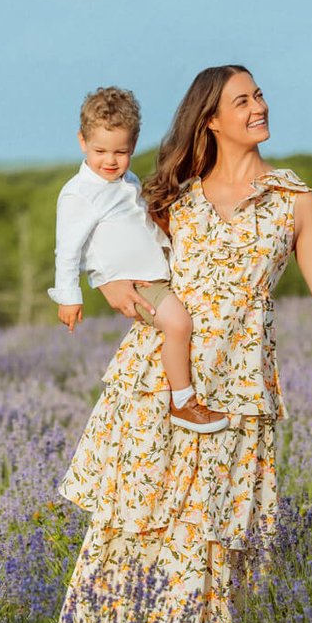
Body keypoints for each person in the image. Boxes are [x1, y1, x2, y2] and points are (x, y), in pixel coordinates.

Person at [58, 65, 312, 623]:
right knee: (152, 523)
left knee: (212, 533)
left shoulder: (291, 198)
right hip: (160, 382)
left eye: (260, 94)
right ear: (210, 119)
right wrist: (106, 281)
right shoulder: (170, 192)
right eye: (242, 101)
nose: (258, 107)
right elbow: (103, 235)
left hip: (238, 390)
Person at [48, 86, 228, 433]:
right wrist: (69, 296)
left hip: (157, 274)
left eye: (122, 151)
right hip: (134, 282)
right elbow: (68, 249)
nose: (110, 161)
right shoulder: (79, 194)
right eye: (100, 150)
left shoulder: (126, 181)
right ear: (81, 141)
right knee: (179, 325)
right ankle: (183, 402)